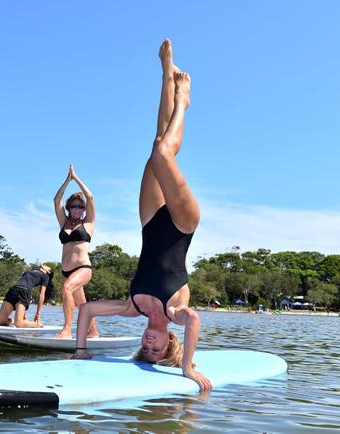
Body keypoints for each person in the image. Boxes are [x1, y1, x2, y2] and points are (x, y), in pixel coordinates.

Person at [72, 39, 212, 391]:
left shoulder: (130, 308)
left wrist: (80, 351)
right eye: (155, 348)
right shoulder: (176, 314)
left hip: (150, 222)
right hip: (182, 225)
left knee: (156, 145)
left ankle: (166, 76)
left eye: (144, 348)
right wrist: (186, 369)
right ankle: (184, 101)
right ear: (169, 345)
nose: (148, 343)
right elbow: (194, 319)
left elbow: (86, 311)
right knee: (164, 155)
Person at [53, 164, 98, 339]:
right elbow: (56, 201)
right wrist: (67, 180)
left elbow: (91, 197)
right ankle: (93, 331)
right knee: (82, 304)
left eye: (80, 207)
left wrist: (76, 178)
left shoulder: (88, 223)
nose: (77, 209)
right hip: (66, 271)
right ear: (69, 207)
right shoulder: (63, 222)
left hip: (83, 268)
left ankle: (66, 330)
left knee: (66, 289)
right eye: (73, 206)